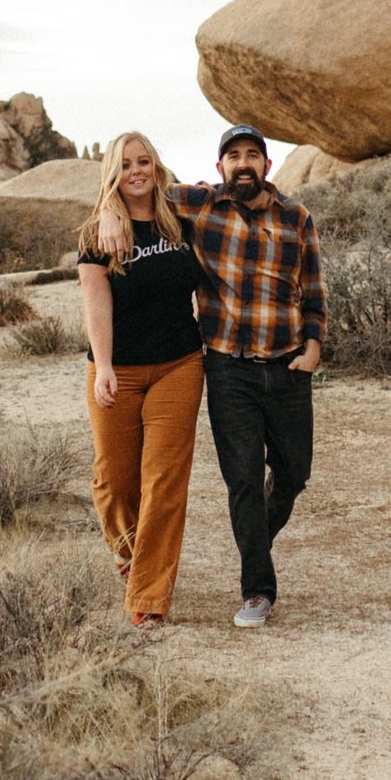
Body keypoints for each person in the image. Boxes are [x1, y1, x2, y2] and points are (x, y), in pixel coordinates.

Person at [100, 123, 325, 629]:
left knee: (293, 475)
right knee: (242, 478)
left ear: (267, 166)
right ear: (219, 167)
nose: (242, 163)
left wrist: (312, 349)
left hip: (288, 365)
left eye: (252, 155)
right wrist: (107, 211)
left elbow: (313, 290)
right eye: (233, 156)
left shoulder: (297, 218)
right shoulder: (200, 205)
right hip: (227, 367)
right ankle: (257, 589)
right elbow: (135, 185)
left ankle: (253, 540)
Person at [76, 131, 206, 631]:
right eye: (126, 164)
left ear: (156, 165)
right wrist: (104, 365)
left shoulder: (181, 218)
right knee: (112, 481)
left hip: (179, 364)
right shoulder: (98, 233)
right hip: (118, 369)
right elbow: (96, 302)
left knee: (164, 482)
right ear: (112, 171)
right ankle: (132, 557)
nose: (137, 171)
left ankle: (148, 596)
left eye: (144, 161)